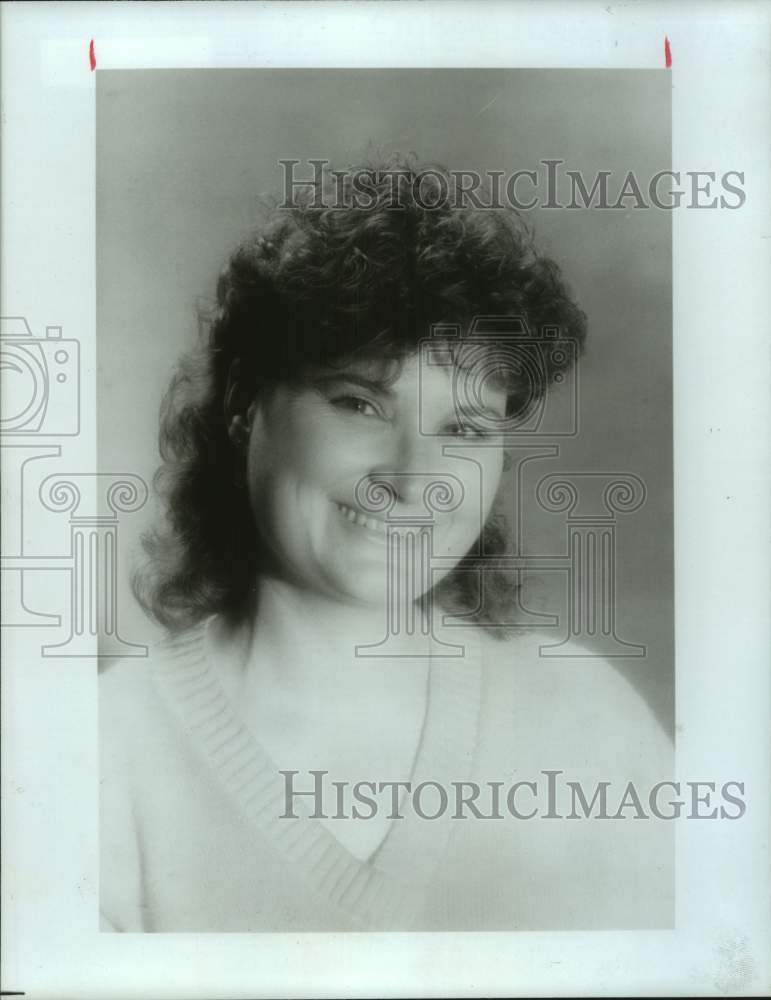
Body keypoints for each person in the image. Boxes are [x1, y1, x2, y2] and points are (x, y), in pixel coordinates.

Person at [100, 155, 673, 932]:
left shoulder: (588, 723)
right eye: (358, 403)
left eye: (464, 428)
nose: (414, 474)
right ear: (242, 403)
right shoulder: (103, 749)